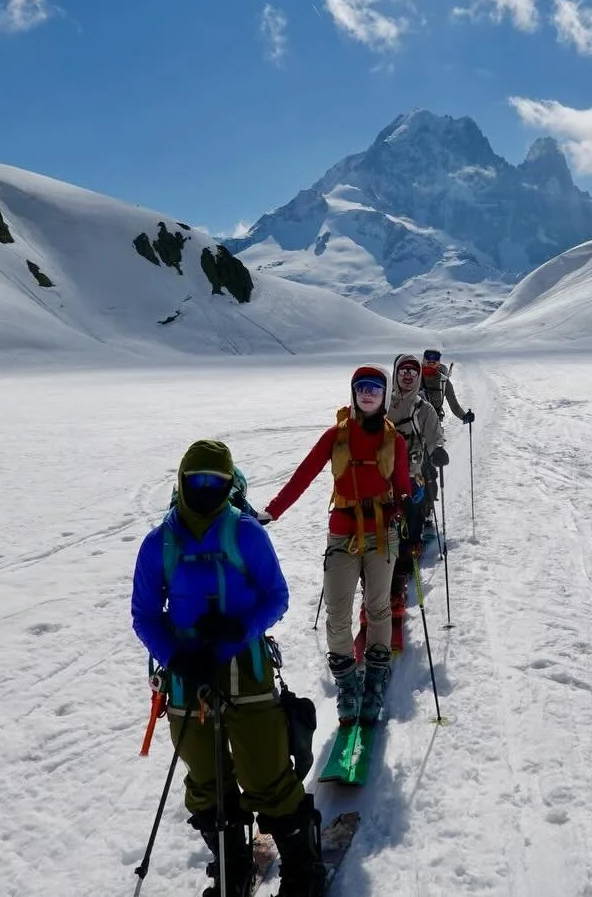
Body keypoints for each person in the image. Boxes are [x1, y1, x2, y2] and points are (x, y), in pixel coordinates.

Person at [131, 439, 325, 897]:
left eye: (214, 482)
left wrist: (238, 629)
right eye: (195, 481)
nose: (204, 489)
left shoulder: (246, 534)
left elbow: (276, 596)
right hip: (186, 678)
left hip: (246, 668)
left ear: (228, 485)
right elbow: (144, 614)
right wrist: (177, 656)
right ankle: (231, 864)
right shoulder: (160, 543)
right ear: (181, 483)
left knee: (265, 771)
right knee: (206, 780)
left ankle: (303, 868)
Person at [263, 366, 413, 728]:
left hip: (382, 533)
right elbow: (304, 474)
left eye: (374, 389)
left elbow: (403, 485)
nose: (367, 394)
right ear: (354, 393)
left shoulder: (396, 441)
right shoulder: (336, 436)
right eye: (361, 388)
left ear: (383, 395)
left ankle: (374, 677)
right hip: (343, 532)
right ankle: (348, 685)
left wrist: (407, 504)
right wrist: (272, 511)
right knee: (337, 612)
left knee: (378, 608)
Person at [388, 353, 449, 550]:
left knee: (413, 513)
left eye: (413, 370)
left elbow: (434, 436)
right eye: (403, 370)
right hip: (383, 473)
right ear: (396, 373)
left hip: (412, 472)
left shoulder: (425, 409)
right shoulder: (382, 403)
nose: (408, 374)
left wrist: (437, 450)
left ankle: (408, 555)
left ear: (418, 374)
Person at [420, 348, 474, 426]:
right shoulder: (414, 377)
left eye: (436, 358)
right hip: (413, 422)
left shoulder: (444, 382)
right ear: (423, 360)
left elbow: (454, 405)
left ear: (439, 362)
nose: (431, 361)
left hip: (433, 423)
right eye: (428, 357)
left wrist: (464, 416)